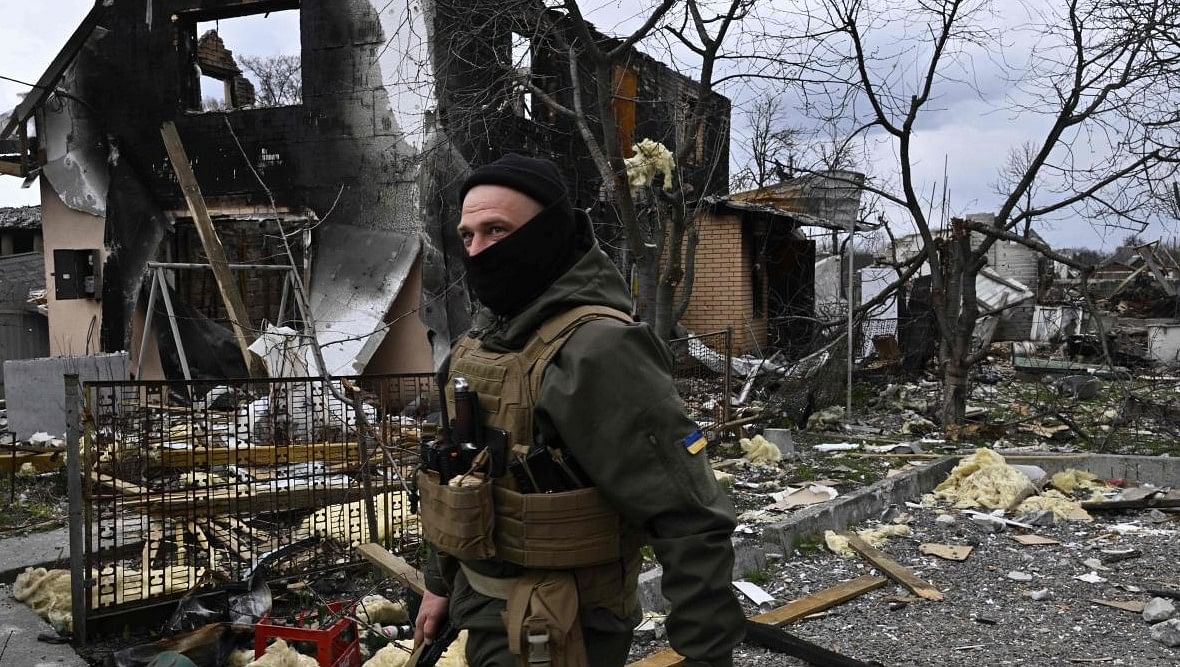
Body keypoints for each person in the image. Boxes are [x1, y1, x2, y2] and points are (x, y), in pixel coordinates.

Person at [413, 154, 744, 666]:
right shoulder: (483, 343)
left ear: (550, 233)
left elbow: (689, 513)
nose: (478, 251)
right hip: (481, 605)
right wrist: (439, 584)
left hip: (560, 623)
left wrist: (707, 655)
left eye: (497, 230)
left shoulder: (599, 349)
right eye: (468, 235)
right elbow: (458, 473)